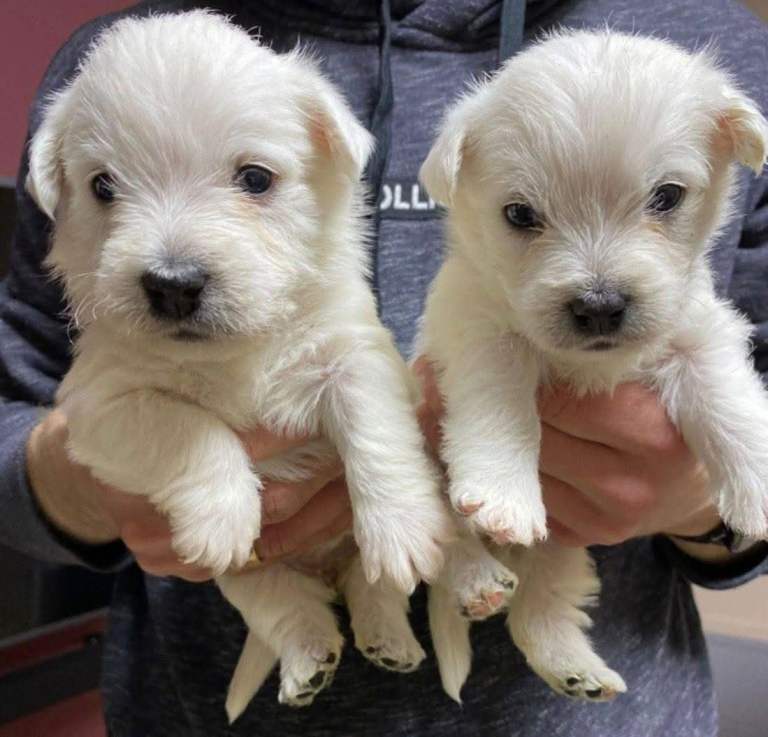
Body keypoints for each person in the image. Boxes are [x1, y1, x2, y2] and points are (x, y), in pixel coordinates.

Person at [2, 1, 767, 735]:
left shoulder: (713, 51)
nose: (173, 261)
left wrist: (706, 503)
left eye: (254, 179)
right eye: (108, 188)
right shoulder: (99, 76)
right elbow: (21, 399)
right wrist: (87, 479)